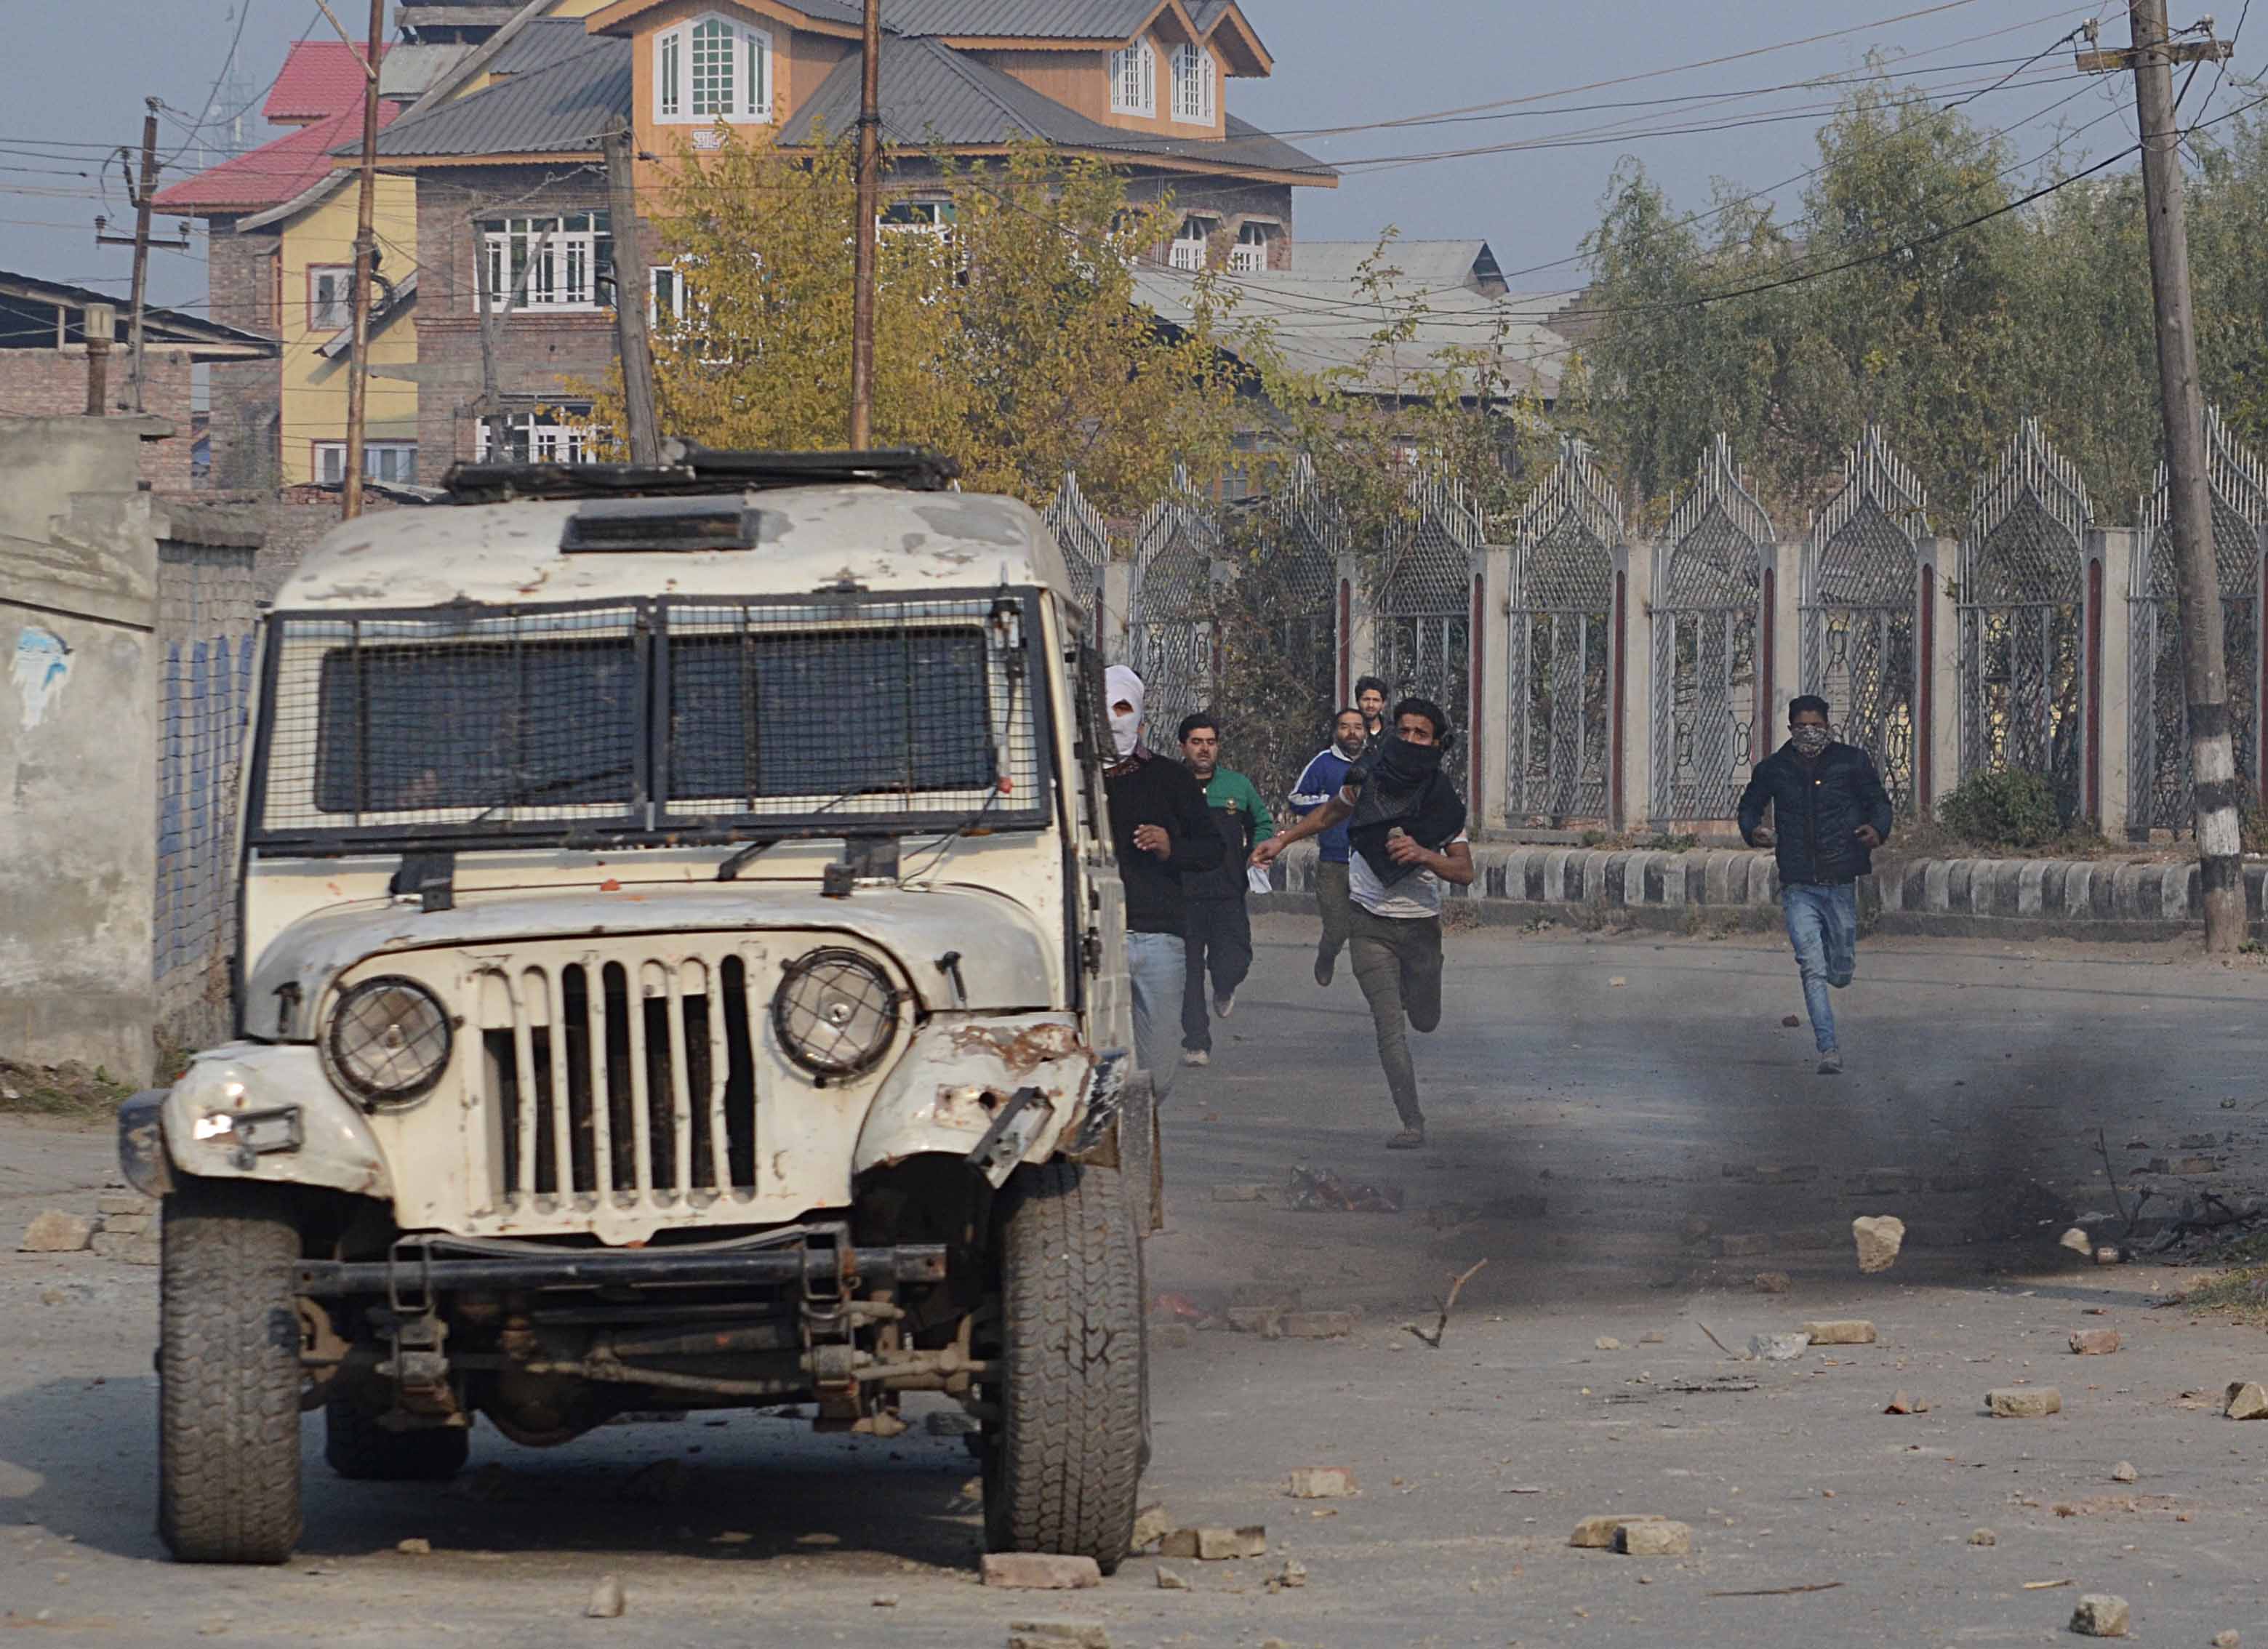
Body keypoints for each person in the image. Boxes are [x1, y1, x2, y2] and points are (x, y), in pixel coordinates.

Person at [1253, 698, 1472, 1148]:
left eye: (1422, 734)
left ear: (1436, 743)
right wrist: (1283, 840)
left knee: (1426, 1020)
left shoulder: (1441, 801)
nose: (1411, 740)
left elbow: (1464, 870)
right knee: (1388, 1027)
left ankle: (1419, 992)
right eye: (1405, 731)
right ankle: (1412, 1122)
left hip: (1419, 925)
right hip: (1368, 920)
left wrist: (1424, 854)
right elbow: (1333, 811)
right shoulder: (1367, 777)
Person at [1738, 694, 1893, 1077]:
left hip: (1840, 878)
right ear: (1790, 728)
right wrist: (1752, 829)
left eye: (1817, 726)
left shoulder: (1852, 762)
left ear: (1828, 725)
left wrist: (1877, 830)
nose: (1810, 732)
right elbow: (1749, 807)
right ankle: (1828, 1049)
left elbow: (1879, 803)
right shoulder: (1774, 768)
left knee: (1839, 971)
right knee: (1811, 966)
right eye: (1802, 726)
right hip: (1798, 883)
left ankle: (1835, 961)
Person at [1102, 666, 1222, 1100]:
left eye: (1122, 708)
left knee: (1159, 1071)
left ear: (1140, 716)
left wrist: (1172, 848)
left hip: (1160, 936)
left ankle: (1139, 1126)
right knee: (1099, 1070)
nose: (1113, 719)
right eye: (1104, 709)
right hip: (1096, 938)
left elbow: (1211, 849)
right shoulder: (1074, 779)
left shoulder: (1170, 778)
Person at [1175, 713, 1275, 1067]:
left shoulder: (1237, 786)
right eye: (1197, 742)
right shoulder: (1170, 784)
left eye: (1210, 742)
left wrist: (1260, 851)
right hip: (1183, 894)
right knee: (1187, 972)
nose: (1204, 749)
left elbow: (1263, 823)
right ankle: (1196, 1041)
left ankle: (1224, 986)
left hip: (1228, 891)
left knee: (1233, 960)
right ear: (1183, 746)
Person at [1291, 707, 1369, 986]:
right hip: (1334, 861)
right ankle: (1327, 954)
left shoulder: (1379, 761)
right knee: (1337, 927)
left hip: (1370, 861)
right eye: (1345, 727)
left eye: (1358, 727)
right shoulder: (1324, 762)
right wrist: (1334, 801)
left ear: (1366, 730)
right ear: (1336, 732)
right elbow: (1296, 799)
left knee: (1370, 933)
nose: (1352, 733)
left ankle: (1379, 984)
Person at [1354, 676, 1390, 746]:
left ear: (1384, 704)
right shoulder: (1347, 731)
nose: (1371, 705)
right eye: (1366, 699)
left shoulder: (1392, 732)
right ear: (1357, 701)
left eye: (1376, 700)